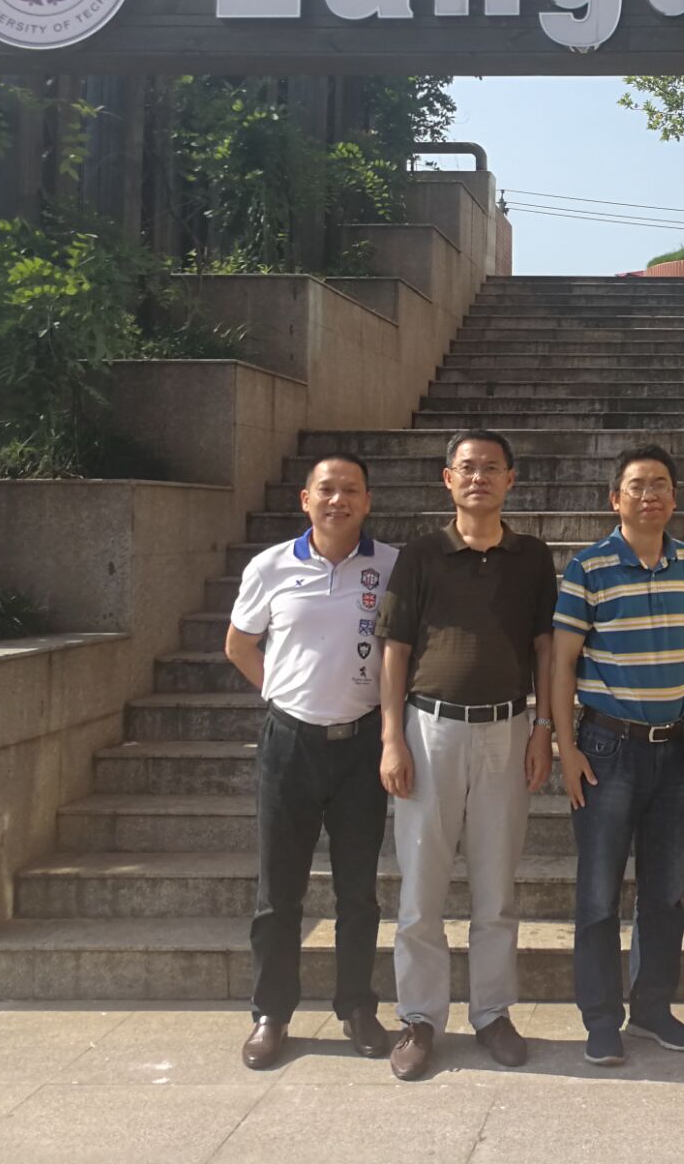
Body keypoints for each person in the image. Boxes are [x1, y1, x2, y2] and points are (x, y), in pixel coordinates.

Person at [374, 428, 556, 1080]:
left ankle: (492, 1013)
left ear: (511, 479)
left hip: (507, 731)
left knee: (496, 887)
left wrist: (544, 729)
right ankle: (420, 1019)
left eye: (491, 468)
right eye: (467, 467)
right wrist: (391, 737)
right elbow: (394, 649)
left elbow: (545, 648)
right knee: (421, 890)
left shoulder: (532, 557)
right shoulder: (421, 555)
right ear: (448, 479)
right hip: (430, 731)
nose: (479, 477)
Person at [225, 452, 396, 1070]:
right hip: (289, 745)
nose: (338, 500)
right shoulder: (270, 566)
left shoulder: (391, 566)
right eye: (327, 489)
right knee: (279, 892)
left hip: (362, 746)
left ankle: (356, 1007)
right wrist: (281, 693)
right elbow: (239, 644)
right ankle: (271, 1014)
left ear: (367, 501)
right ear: (306, 499)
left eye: (351, 490)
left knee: (358, 892)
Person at [551, 442, 684, 1066]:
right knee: (598, 894)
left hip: (674, 749)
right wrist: (567, 748)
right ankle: (600, 1018)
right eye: (638, 485)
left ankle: (652, 1007)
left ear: (675, 497)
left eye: (661, 485)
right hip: (606, 748)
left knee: (665, 891)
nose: (650, 495)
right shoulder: (587, 567)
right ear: (615, 498)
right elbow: (563, 664)